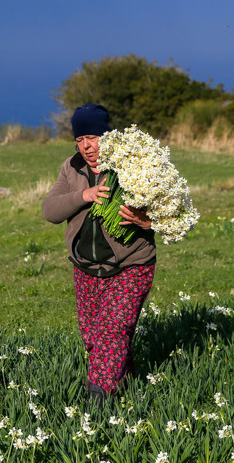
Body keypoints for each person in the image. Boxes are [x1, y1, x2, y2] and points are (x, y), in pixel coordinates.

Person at [42, 104, 156, 404]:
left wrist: (145, 222)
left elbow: (170, 216)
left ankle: (98, 403)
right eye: (80, 140)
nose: (86, 146)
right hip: (86, 267)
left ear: (108, 137)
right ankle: (128, 386)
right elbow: (50, 211)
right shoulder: (72, 167)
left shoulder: (134, 166)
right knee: (94, 339)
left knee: (113, 330)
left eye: (92, 137)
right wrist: (84, 195)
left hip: (132, 265)